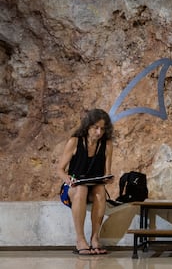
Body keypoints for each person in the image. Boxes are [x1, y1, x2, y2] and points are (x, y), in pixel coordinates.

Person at [57, 109, 114, 255]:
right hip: (72, 187)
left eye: (102, 128)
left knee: (100, 190)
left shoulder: (106, 145)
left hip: (93, 186)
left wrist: (108, 178)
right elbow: (60, 170)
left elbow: (107, 172)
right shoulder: (75, 141)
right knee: (81, 188)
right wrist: (68, 180)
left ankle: (95, 238)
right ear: (88, 126)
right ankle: (80, 240)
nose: (99, 132)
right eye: (96, 127)